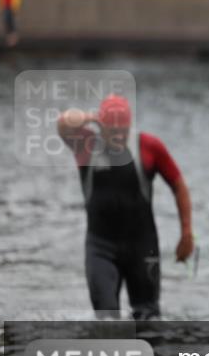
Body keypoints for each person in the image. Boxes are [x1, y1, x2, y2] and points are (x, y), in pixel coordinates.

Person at [57, 94, 194, 319]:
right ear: (101, 127)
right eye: (112, 130)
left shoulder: (149, 147)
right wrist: (93, 117)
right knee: (107, 320)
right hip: (101, 249)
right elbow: (63, 123)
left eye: (123, 130)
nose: (118, 136)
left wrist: (186, 233)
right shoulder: (85, 145)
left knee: (148, 319)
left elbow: (179, 186)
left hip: (143, 247)